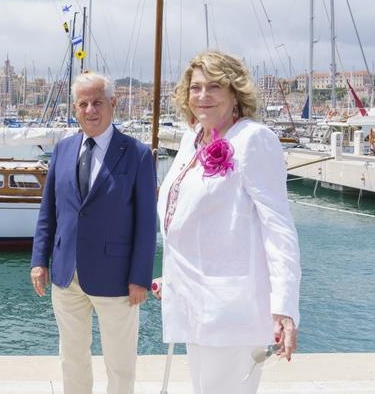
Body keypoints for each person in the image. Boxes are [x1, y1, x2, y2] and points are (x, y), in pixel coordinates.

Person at [154, 51, 301, 394]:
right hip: (194, 302)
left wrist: (283, 308)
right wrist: (173, 277)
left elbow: (278, 228)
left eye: (214, 87)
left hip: (232, 308)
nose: (202, 96)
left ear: (235, 94)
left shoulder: (253, 139)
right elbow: (191, 219)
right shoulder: (194, 139)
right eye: (196, 87)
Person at [31, 71, 157, 394]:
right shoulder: (62, 150)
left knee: (120, 363)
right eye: (83, 104)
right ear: (75, 108)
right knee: (71, 358)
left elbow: (146, 223)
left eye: (97, 102)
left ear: (113, 103)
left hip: (116, 280)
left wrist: (140, 277)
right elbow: (49, 211)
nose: (90, 110)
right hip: (66, 274)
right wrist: (39, 261)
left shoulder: (138, 154)